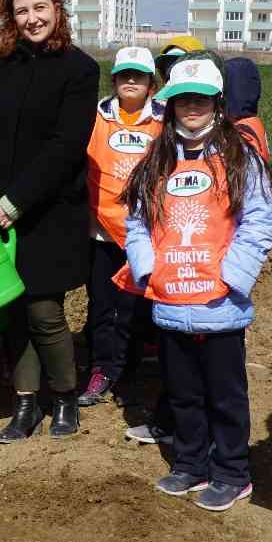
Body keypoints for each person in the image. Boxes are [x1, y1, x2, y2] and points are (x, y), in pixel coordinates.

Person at [120, 58, 272, 511]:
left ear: (217, 103)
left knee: (225, 395)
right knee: (183, 390)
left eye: (200, 99)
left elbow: (260, 220)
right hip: (170, 299)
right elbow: (136, 223)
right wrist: (149, 270)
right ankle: (190, 462)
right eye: (183, 100)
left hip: (219, 303)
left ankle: (232, 471)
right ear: (169, 106)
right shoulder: (156, 160)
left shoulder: (240, 156)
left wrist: (233, 276)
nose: (191, 107)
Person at [0, 0, 99, 442]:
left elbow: (66, 146)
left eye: (40, 8)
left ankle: (63, 398)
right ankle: (24, 404)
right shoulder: (4, 65)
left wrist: (17, 201)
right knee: (12, 309)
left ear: (56, 9)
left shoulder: (79, 69)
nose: (32, 18)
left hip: (48, 210)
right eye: (22, 11)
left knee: (44, 310)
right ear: (10, 18)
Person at [81, 46, 164, 408]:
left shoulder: (164, 120)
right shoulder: (95, 117)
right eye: (125, 75)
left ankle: (128, 367)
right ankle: (101, 367)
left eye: (139, 76)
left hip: (146, 234)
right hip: (101, 231)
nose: (131, 81)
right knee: (101, 304)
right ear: (114, 80)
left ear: (151, 84)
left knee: (135, 306)